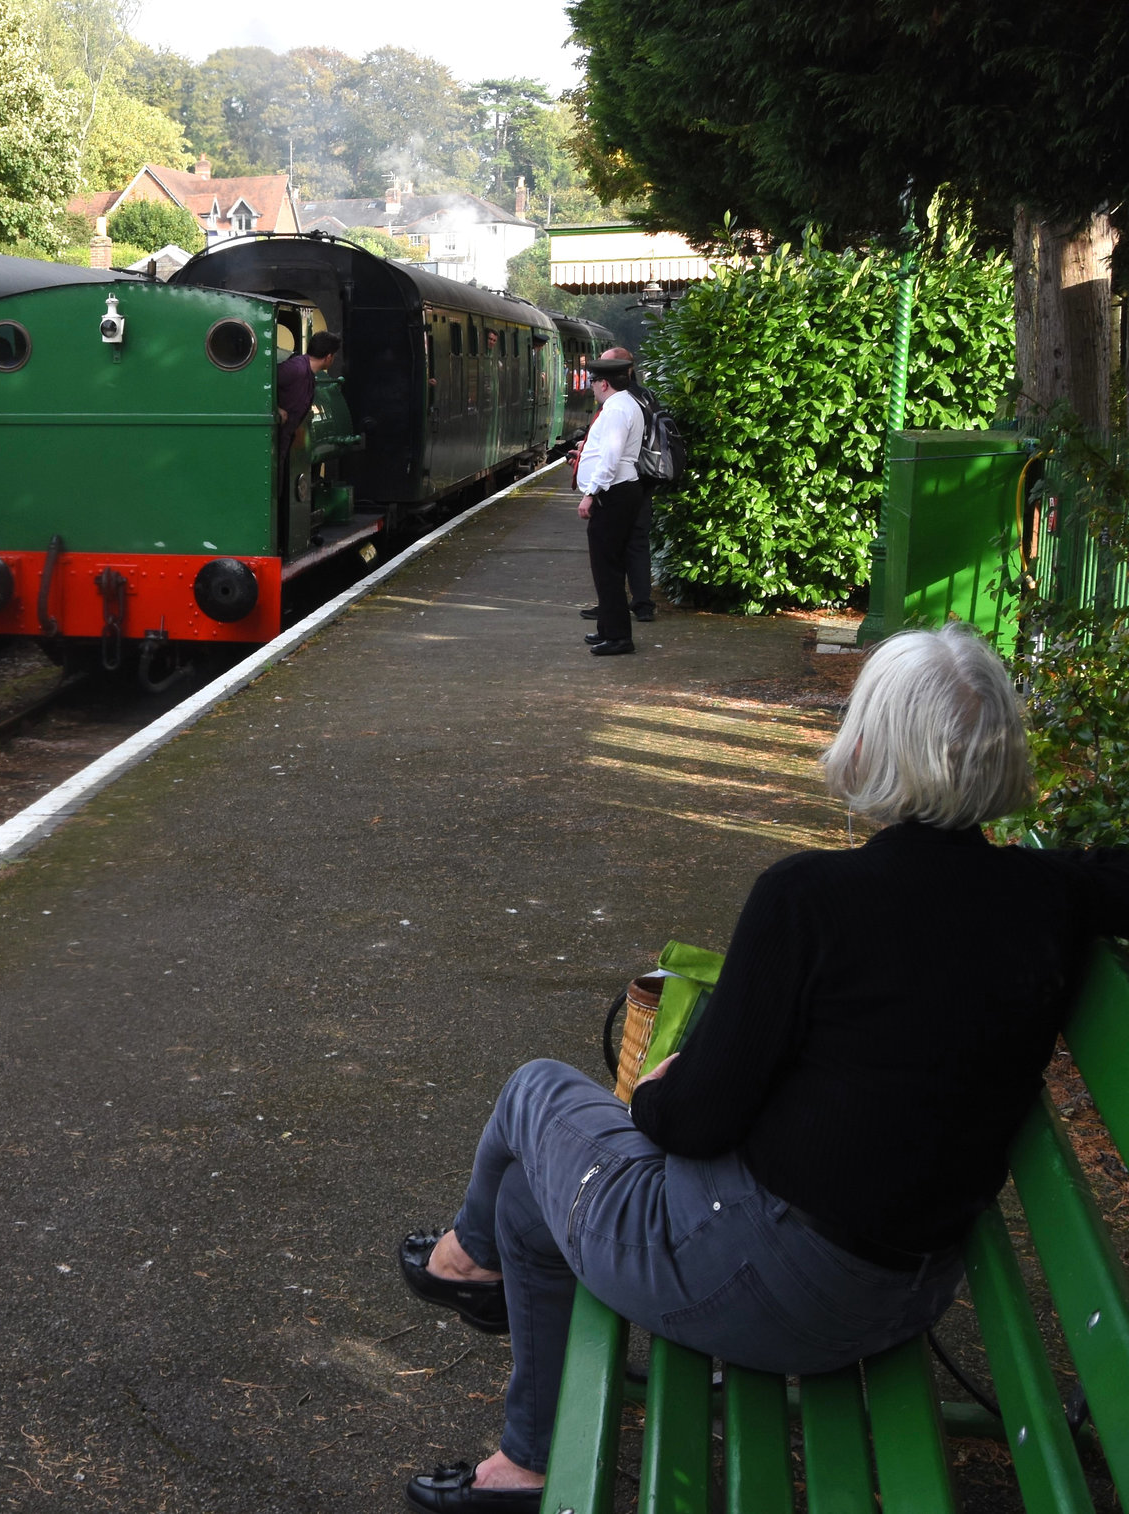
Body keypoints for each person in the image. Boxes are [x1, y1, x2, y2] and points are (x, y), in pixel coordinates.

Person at [397, 624, 1129, 1513]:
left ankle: (460, 1262)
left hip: (773, 1285)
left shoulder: (810, 901)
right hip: (907, 1293)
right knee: (530, 1202)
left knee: (536, 1091)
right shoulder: (1049, 896)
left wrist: (665, 1088)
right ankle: (525, 1459)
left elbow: (691, 1125)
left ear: (867, 741)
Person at [576, 348, 654, 625]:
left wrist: (590, 493)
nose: (592, 388)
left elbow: (611, 458)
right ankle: (610, 629)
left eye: (593, 382)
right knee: (611, 563)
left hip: (615, 491)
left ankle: (616, 634)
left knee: (608, 565)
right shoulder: (627, 403)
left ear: (604, 383)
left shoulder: (618, 408)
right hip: (622, 488)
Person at [276, 330, 340, 453]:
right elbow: (263, 382)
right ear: (329, 357)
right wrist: (276, 408)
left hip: (284, 439)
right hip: (275, 438)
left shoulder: (307, 373)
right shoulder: (295, 369)